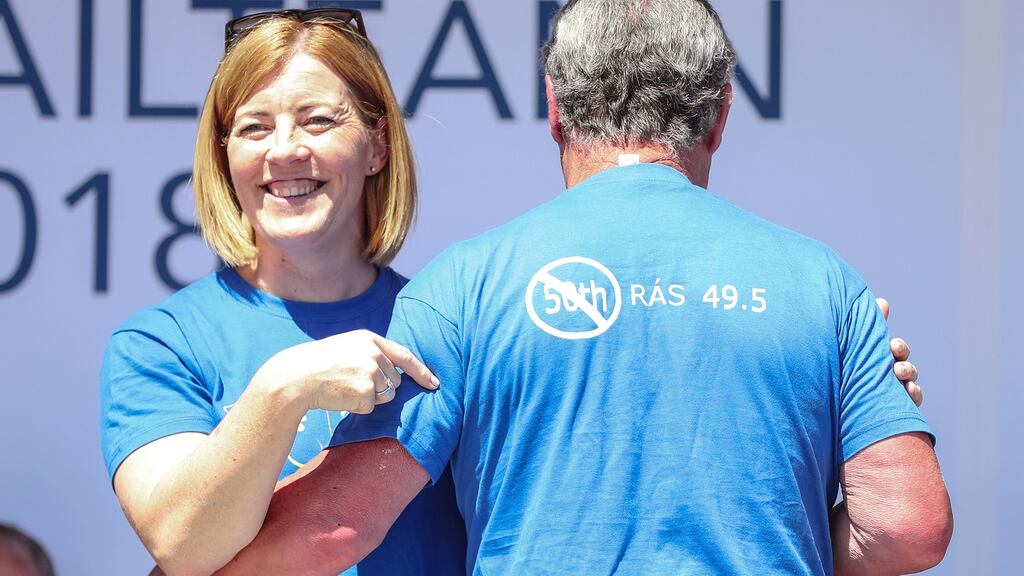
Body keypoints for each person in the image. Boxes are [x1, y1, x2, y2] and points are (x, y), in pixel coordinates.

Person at [214, 1, 951, 575]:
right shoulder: (823, 285)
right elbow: (906, 527)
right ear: (720, 115)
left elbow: (333, 526)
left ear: (555, 108)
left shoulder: (465, 286)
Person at [98, 9, 465, 576]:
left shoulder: (451, 328)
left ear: (378, 146)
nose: (285, 150)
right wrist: (282, 389)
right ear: (224, 155)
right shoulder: (161, 344)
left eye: (317, 120)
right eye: (254, 128)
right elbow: (182, 546)